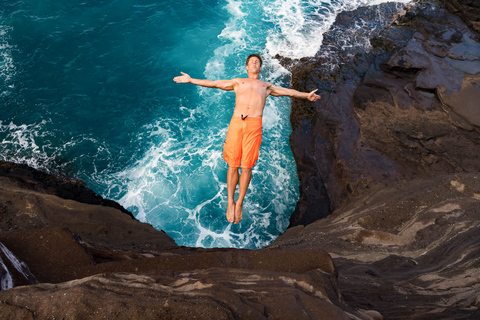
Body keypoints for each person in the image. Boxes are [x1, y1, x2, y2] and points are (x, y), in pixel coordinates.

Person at [173, 53, 320, 224]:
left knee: (247, 166)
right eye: (251, 62)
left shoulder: (266, 86)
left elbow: (289, 92)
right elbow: (214, 84)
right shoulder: (238, 82)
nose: (254, 62)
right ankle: (230, 202)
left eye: (257, 61)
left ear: (260, 67)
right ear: (247, 67)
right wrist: (191, 80)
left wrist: (306, 95)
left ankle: (240, 202)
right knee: (233, 164)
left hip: (254, 125)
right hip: (237, 122)